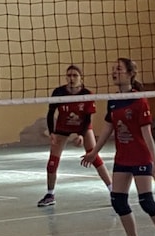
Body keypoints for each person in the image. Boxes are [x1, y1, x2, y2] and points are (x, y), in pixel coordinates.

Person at [81, 58, 155, 236]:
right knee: (118, 201)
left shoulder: (139, 100)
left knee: (146, 202)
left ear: (130, 74)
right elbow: (108, 128)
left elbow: (147, 134)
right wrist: (94, 152)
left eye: (119, 69)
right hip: (122, 158)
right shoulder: (113, 100)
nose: (114, 72)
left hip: (140, 157)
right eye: (113, 69)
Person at [37, 65, 112, 207]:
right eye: (69, 75)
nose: (71, 78)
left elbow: (88, 119)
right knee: (52, 162)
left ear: (81, 78)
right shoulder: (59, 92)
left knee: (94, 156)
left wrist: (81, 135)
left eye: (75, 75)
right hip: (62, 127)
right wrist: (52, 132)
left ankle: (113, 191)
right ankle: (50, 194)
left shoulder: (87, 94)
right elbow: (50, 113)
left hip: (82, 126)